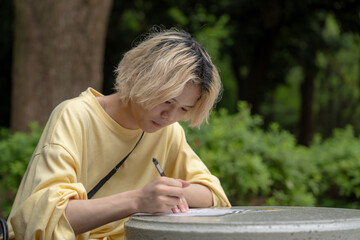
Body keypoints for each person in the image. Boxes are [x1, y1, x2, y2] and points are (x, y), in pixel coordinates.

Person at [7, 28, 231, 239]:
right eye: (166, 101)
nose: (169, 117)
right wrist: (138, 199)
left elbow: (214, 196)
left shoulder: (168, 133)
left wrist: (169, 192)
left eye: (184, 109)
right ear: (138, 77)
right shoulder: (75, 116)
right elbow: (43, 220)